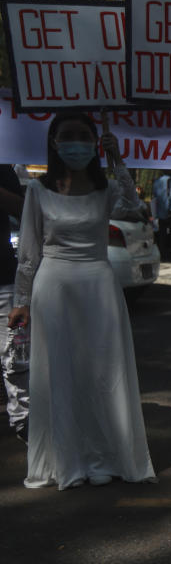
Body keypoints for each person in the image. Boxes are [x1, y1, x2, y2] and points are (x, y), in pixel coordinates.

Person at [10, 112, 156, 488]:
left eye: (84, 136)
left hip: (98, 284)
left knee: (103, 371)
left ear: (95, 142)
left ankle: (105, 454)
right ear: (55, 142)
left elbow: (133, 207)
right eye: (68, 136)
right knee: (60, 371)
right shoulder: (38, 191)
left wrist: (117, 160)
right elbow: (28, 252)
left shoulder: (105, 188)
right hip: (54, 285)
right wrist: (21, 300)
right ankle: (67, 459)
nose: (76, 143)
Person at [0, 165, 26, 442]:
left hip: (3, 278)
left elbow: (23, 210)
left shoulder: (2, 167)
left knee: (14, 358)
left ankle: (23, 422)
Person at [152, 172, 171, 261]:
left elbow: (155, 194)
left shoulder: (157, 181)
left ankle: (163, 256)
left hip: (161, 213)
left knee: (162, 235)